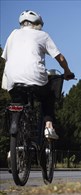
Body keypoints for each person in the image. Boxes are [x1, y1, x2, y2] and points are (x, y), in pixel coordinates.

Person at [1, 10, 74, 139]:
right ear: (38, 24)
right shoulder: (42, 35)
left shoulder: (13, 34)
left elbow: (6, 59)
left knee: (18, 103)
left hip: (13, 80)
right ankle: (49, 127)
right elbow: (60, 58)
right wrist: (67, 71)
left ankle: (12, 149)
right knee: (48, 96)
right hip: (36, 79)